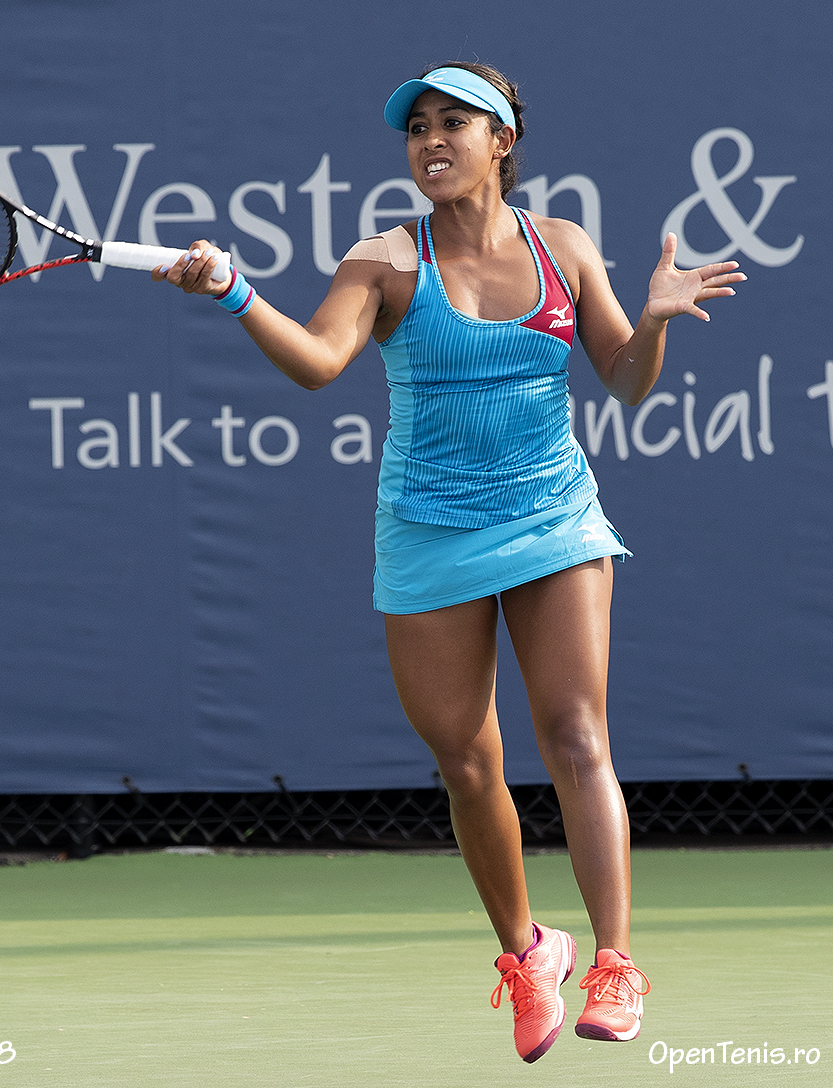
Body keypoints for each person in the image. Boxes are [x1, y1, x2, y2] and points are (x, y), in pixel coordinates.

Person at [154, 61, 743, 1063]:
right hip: (428, 529)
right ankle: (528, 951)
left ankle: (614, 960)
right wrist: (233, 291)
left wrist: (650, 322)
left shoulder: (564, 246)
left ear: (501, 141)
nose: (431, 140)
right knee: (468, 764)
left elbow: (626, 381)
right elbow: (318, 363)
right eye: (417, 126)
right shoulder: (383, 262)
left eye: (453, 123)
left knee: (577, 734)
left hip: (553, 516)